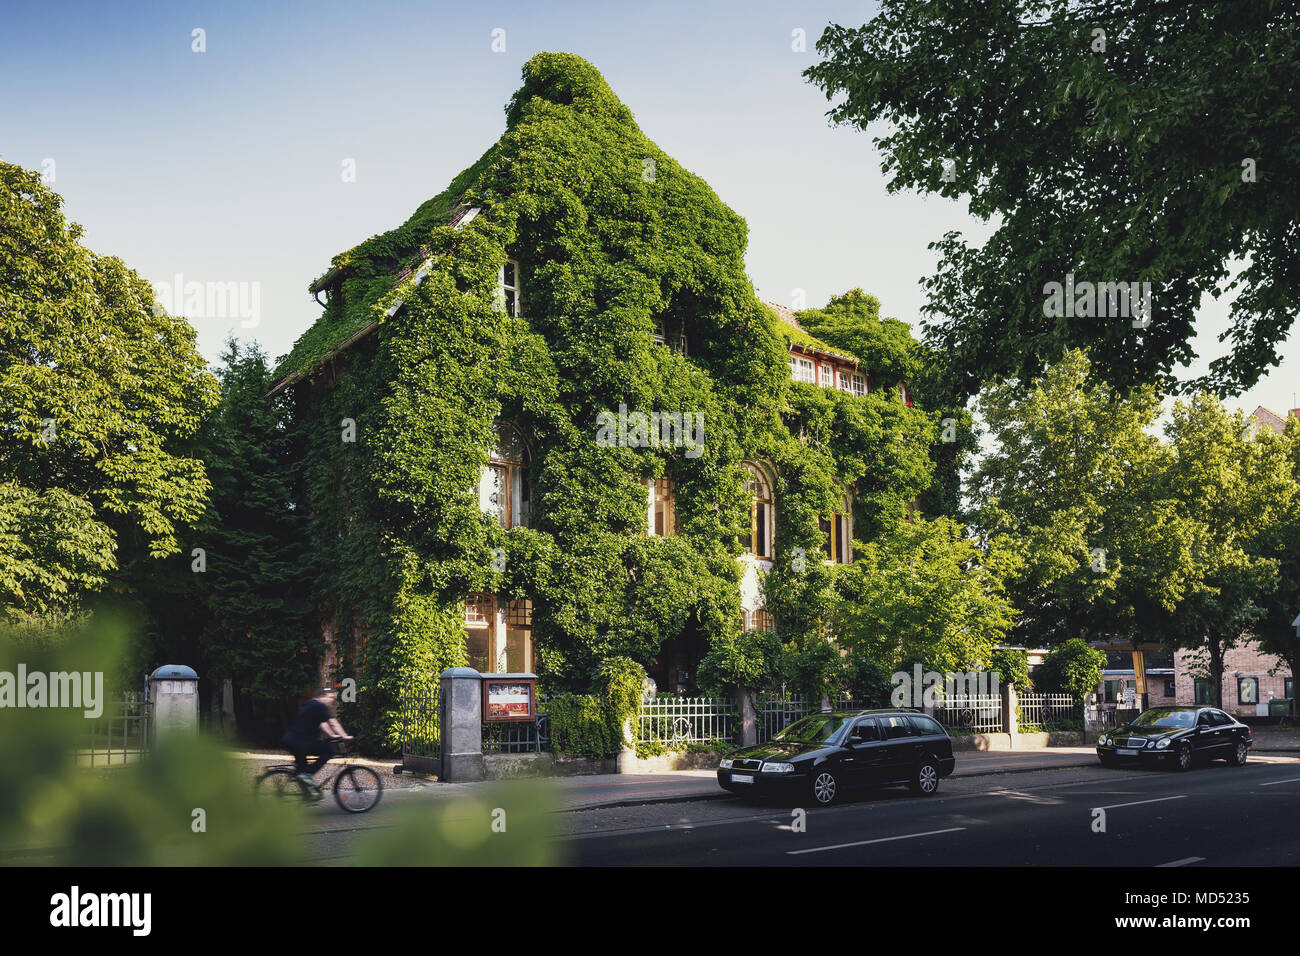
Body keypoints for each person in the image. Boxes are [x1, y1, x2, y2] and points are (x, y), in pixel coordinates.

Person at [281, 686, 350, 798]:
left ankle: (308, 795)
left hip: (291, 741)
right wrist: (344, 736)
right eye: (330, 697)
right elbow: (333, 723)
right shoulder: (320, 706)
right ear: (322, 696)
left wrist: (333, 735)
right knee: (329, 751)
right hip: (302, 742)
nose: (332, 700)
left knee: (301, 772)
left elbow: (322, 724)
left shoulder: (310, 704)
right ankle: (308, 775)